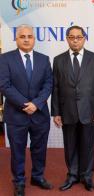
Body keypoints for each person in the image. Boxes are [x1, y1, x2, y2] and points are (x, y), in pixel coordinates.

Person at [0, 24, 53, 196]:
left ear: (34, 39)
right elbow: (5, 86)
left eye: (29, 36)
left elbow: (48, 84)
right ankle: (19, 181)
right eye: (22, 36)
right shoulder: (5, 59)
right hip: (16, 115)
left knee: (39, 149)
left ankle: (37, 176)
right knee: (17, 151)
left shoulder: (44, 59)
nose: (26, 39)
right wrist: (25, 105)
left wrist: (36, 104)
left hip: (39, 114)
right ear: (16, 39)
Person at [51, 25, 94, 192]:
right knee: (70, 145)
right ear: (67, 39)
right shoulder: (58, 60)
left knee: (88, 145)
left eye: (79, 37)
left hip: (89, 110)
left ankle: (87, 176)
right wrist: (56, 112)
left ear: (84, 38)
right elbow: (56, 88)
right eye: (72, 37)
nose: (75, 40)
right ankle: (73, 174)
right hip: (67, 111)